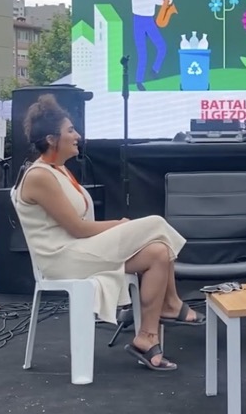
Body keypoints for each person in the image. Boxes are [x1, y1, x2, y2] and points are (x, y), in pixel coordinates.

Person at [11, 94, 204, 372]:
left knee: (158, 252)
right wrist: (120, 224)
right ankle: (171, 303)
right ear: (52, 139)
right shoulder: (40, 176)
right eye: (70, 130)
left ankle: (146, 337)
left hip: (79, 250)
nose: (77, 136)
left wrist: (119, 226)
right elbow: (78, 229)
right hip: (62, 258)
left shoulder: (60, 170)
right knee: (155, 223)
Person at [131, 0, 170, 91]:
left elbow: (155, 0)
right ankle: (139, 81)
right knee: (142, 53)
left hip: (149, 20)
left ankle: (154, 70)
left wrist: (166, 0)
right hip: (138, 20)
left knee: (162, 46)